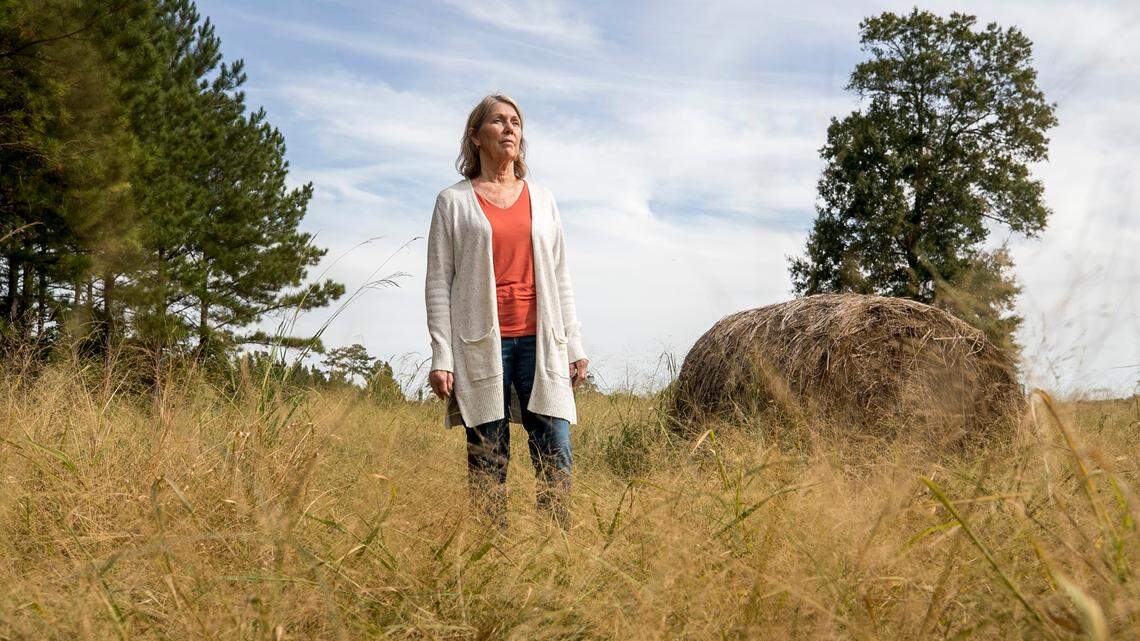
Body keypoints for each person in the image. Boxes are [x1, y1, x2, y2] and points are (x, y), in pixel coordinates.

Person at [424, 94, 589, 529]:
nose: (510, 128)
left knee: (556, 454)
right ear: (476, 137)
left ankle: (557, 551)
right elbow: (439, 283)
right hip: (481, 345)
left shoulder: (544, 199)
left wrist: (574, 343)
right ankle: (491, 559)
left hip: (542, 343)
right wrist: (442, 355)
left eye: (515, 121)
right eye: (497, 121)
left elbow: (561, 275)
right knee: (487, 460)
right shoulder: (453, 202)